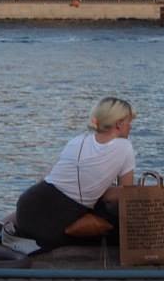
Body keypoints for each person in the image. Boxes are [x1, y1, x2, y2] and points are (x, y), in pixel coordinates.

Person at [14, 96, 136, 248]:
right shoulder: (125, 147)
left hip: (28, 204)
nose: (131, 127)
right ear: (119, 124)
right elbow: (127, 194)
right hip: (54, 222)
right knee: (116, 231)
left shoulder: (78, 140)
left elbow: (53, 175)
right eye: (129, 122)